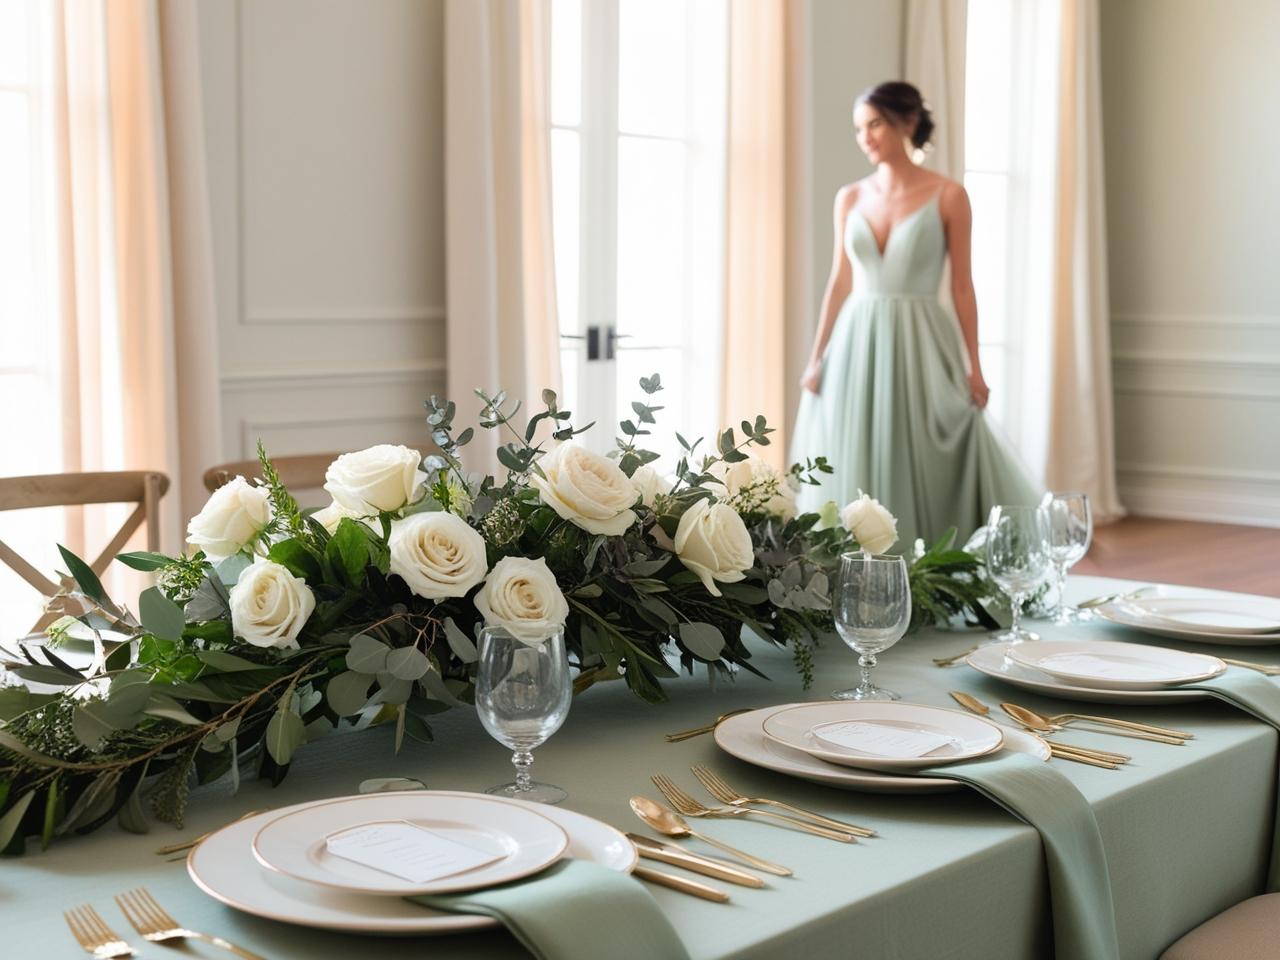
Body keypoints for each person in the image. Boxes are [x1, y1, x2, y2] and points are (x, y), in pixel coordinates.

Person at [791, 81, 1040, 550]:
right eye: (859, 128)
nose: (865, 137)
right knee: (854, 454)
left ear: (907, 123)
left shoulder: (949, 195)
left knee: (926, 450)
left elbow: (963, 287)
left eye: (876, 124)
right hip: (856, 343)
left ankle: (929, 569)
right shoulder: (849, 198)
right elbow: (840, 281)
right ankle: (852, 566)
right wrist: (815, 357)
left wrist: (975, 367)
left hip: (923, 342)